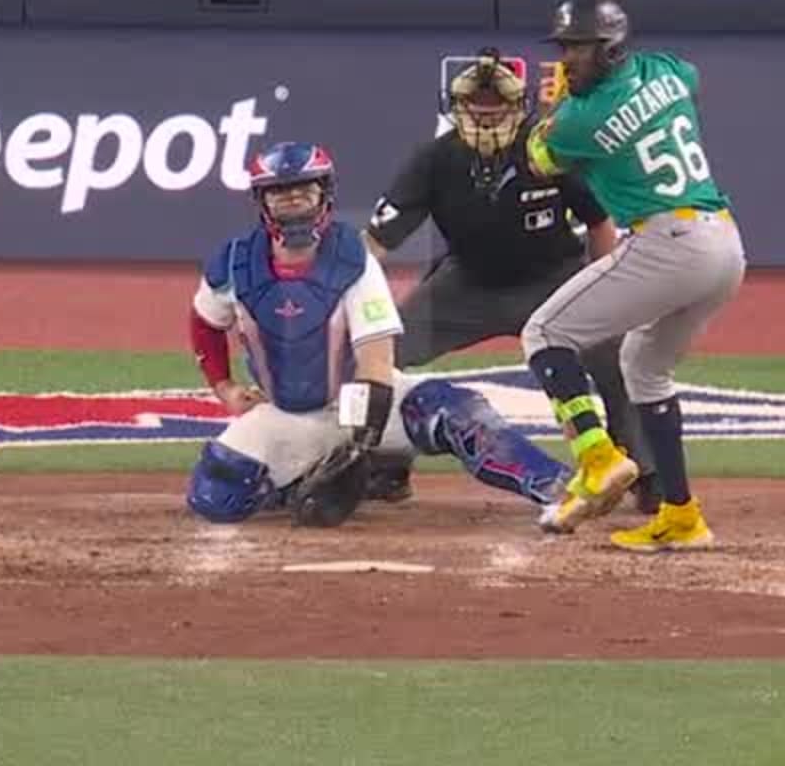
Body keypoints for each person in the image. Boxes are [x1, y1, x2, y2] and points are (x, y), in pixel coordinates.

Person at [184, 141, 573, 525]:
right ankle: (316, 479)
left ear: (325, 193)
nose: (294, 200)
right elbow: (205, 323)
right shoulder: (234, 264)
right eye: (280, 193)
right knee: (216, 498)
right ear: (261, 201)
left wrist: (359, 446)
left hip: (362, 403)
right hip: (286, 413)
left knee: (458, 412)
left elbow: (376, 361)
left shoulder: (354, 261)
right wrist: (224, 386)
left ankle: (559, 487)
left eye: (305, 190)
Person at [360, 49, 656, 511]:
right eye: (476, 105)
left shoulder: (550, 152)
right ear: (456, 108)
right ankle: (384, 464)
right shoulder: (435, 158)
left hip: (553, 282)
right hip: (466, 284)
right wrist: (354, 306)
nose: (486, 114)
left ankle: (646, 471)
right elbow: (377, 241)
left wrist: (603, 290)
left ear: (519, 107)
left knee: (615, 358)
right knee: (381, 353)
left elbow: (599, 222)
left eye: (496, 105)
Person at [519, 0, 745, 552]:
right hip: (724, 246)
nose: (567, 60)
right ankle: (682, 515)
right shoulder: (665, 68)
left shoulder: (581, 118)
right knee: (644, 367)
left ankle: (597, 456)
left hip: (668, 240)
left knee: (544, 333)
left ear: (611, 49)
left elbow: (538, 161)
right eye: (565, 48)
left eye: (578, 49)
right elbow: (690, 79)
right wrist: (604, 93)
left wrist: (563, 108)